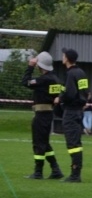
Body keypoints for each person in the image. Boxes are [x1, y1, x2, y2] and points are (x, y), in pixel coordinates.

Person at [21, 51, 64, 180]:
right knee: (45, 143)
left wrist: (30, 66)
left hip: (41, 114)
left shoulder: (44, 79)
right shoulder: (55, 79)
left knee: (38, 142)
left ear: (40, 65)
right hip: (48, 113)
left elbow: (25, 82)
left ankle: (38, 172)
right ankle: (56, 170)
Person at [54, 48, 88, 183]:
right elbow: (86, 92)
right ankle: (75, 172)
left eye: (63, 55)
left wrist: (59, 99)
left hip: (71, 111)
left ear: (67, 58)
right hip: (79, 110)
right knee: (76, 142)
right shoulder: (81, 72)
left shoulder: (70, 74)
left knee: (73, 143)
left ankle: (75, 174)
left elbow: (69, 93)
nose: (62, 57)